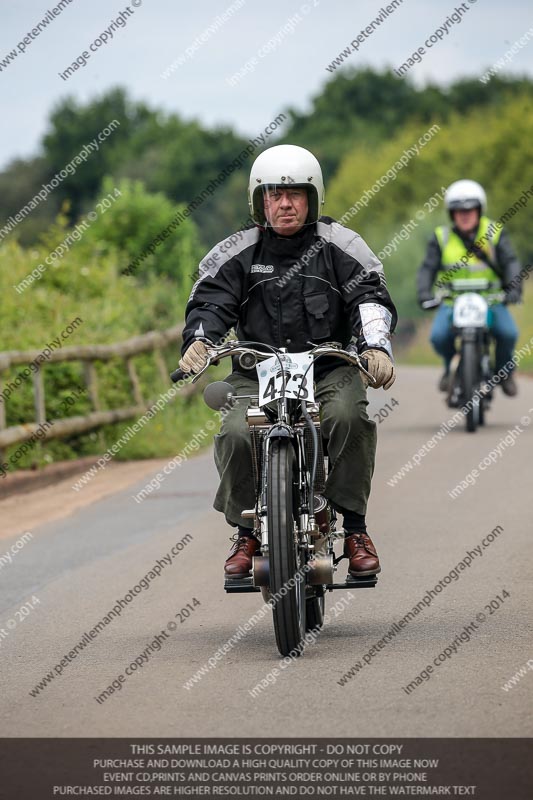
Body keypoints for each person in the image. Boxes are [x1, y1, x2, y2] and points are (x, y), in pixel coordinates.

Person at [179, 144, 397, 579]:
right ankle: (246, 533)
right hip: (255, 373)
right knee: (237, 431)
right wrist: (201, 340)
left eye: (294, 194)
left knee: (348, 417)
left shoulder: (341, 245)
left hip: (327, 368)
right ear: (259, 201)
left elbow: (369, 295)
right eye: (273, 195)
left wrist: (375, 345)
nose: (284, 204)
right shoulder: (237, 252)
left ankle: (354, 529)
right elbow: (210, 302)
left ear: (312, 197)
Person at [417, 180, 521, 396]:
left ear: (479, 209)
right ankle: (450, 368)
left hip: (491, 299)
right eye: (458, 210)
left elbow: (510, 262)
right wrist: (424, 293)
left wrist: (513, 289)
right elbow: (427, 268)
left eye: (470, 209)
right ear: (451, 213)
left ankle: (504, 371)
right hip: (452, 301)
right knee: (439, 337)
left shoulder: (494, 232)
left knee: (508, 333)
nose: (464, 214)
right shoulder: (441, 237)